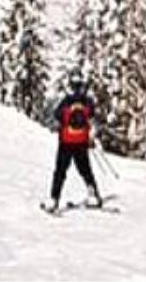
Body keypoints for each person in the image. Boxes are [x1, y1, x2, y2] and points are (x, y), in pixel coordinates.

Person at [44, 70, 103, 213]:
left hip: (66, 141)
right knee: (85, 169)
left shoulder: (66, 101)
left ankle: (54, 199)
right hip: (81, 141)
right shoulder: (87, 101)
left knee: (60, 172)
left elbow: (57, 115)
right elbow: (93, 117)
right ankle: (93, 194)